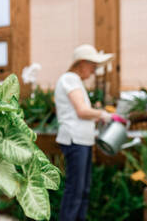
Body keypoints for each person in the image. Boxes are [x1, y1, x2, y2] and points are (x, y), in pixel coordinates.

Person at [54, 44, 113, 221]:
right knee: (75, 191)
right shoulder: (70, 79)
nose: (94, 71)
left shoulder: (74, 81)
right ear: (81, 63)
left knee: (83, 190)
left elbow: (80, 112)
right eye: (93, 66)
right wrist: (104, 114)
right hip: (75, 141)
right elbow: (81, 111)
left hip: (82, 141)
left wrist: (98, 115)